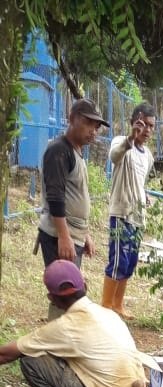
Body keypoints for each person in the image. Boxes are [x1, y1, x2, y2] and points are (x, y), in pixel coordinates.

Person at [0, 261, 159, 387]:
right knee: (51, 353)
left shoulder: (66, 326)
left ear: (52, 298)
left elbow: (6, 354)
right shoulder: (108, 314)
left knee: (31, 361)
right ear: (85, 285)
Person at [37, 99, 109, 271]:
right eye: (87, 123)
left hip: (74, 235)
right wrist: (63, 236)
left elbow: (75, 196)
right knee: (67, 294)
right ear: (71, 119)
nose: (93, 131)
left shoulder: (76, 151)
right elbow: (55, 196)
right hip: (58, 236)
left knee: (68, 295)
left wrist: (85, 235)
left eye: (97, 127)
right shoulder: (59, 150)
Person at [101, 102, 156, 318]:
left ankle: (118, 304)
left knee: (130, 263)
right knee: (117, 261)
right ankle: (105, 306)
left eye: (152, 126)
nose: (148, 131)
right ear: (134, 123)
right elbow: (115, 156)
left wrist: (145, 195)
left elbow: (139, 182)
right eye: (144, 125)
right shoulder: (121, 142)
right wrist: (130, 139)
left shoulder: (148, 156)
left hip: (138, 217)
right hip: (121, 213)